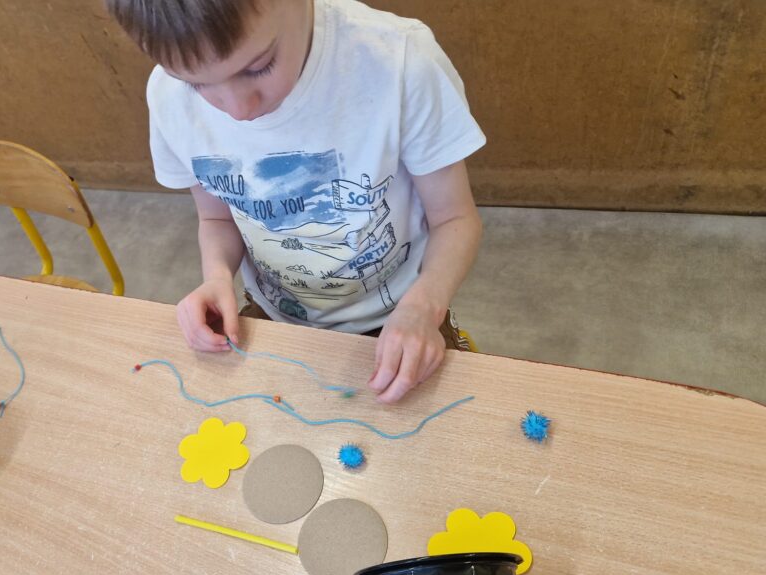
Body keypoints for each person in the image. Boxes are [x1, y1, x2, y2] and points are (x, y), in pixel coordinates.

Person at [107, 0, 486, 402]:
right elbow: (216, 219)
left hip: (402, 315)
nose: (238, 109)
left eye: (258, 67)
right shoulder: (168, 99)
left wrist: (423, 309)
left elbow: (455, 220)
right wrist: (216, 277)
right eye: (196, 84)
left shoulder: (399, 61)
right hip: (272, 314)